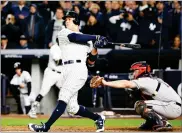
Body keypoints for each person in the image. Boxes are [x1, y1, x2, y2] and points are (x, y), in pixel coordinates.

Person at [28, 11, 108, 132]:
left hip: (78, 69)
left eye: (69, 19)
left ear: (76, 20)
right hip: (66, 70)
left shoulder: (88, 40)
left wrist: (95, 47)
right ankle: (98, 118)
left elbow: (91, 62)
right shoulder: (64, 33)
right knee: (72, 108)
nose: (66, 21)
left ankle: (45, 127)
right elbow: (75, 37)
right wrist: (95, 37)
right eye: (66, 19)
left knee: (63, 95)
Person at [90, 61, 181, 131]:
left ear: (141, 70)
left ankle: (163, 123)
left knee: (140, 105)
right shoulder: (150, 79)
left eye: (135, 71)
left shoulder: (145, 80)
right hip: (171, 105)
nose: (133, 73)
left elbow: (126, 84)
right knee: (139, 102)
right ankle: (151, 122)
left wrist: (106, 83)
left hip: (172, 107)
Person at [28, 43, 63, 118]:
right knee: (43, 92)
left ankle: (72, 110)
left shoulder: (66, 48)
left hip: (61, 74)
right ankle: (32, 110)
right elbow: (58, 62)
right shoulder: (54, 48)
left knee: (67, 91)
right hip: (51, 73)